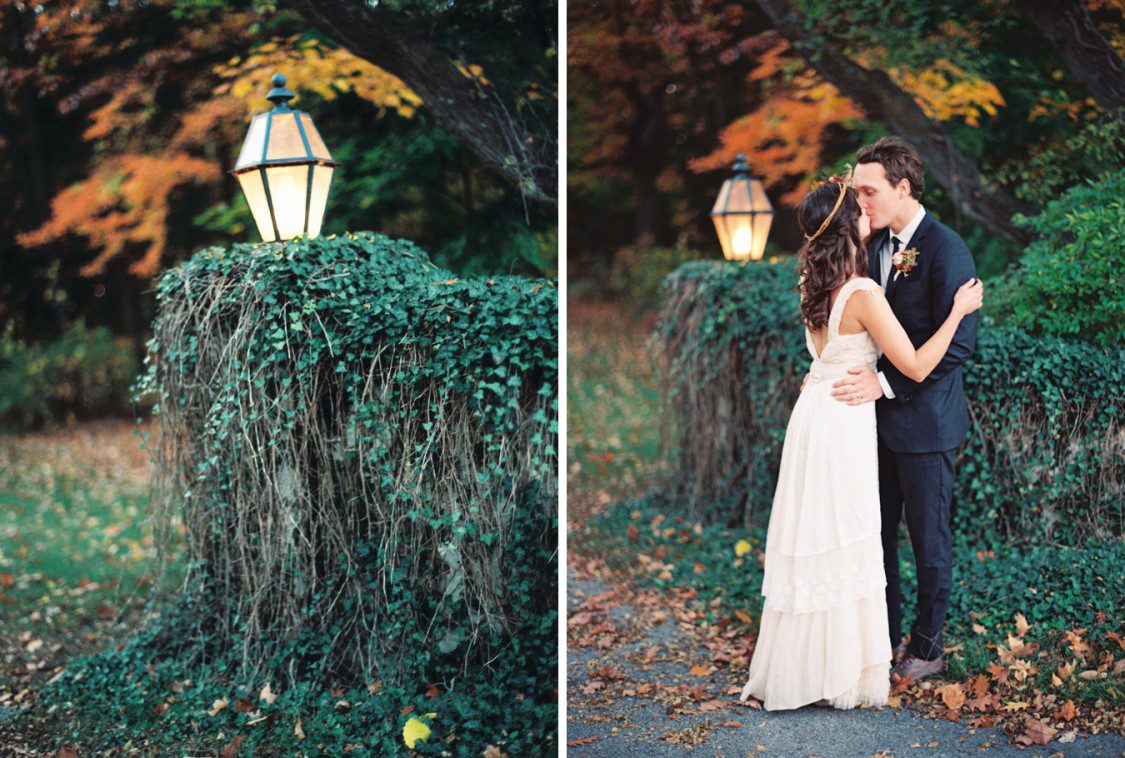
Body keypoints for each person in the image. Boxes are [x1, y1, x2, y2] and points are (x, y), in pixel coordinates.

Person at [738, 168, 982, 710]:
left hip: (817, 416)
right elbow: (917, 364)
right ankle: (845, 664)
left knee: (825, 538)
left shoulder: (813, 282)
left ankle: (810, 663)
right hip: (847, 422)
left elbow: (825, 356)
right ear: (848, 225)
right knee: (849, 537)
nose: (866, 209)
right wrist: (958, 312)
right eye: (858, 205)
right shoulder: (864, 288)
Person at [831, 138, 981, 684]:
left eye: (869, 191)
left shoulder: (947, 249)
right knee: (876, 535)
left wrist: (885, 385)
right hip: (869, 424)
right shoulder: (871, 245)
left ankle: (927, 645)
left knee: (928, 537)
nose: (861, 201)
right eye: (856, 191)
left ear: (903, 188)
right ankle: (885, 634)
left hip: (925, 422)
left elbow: (959, 344)